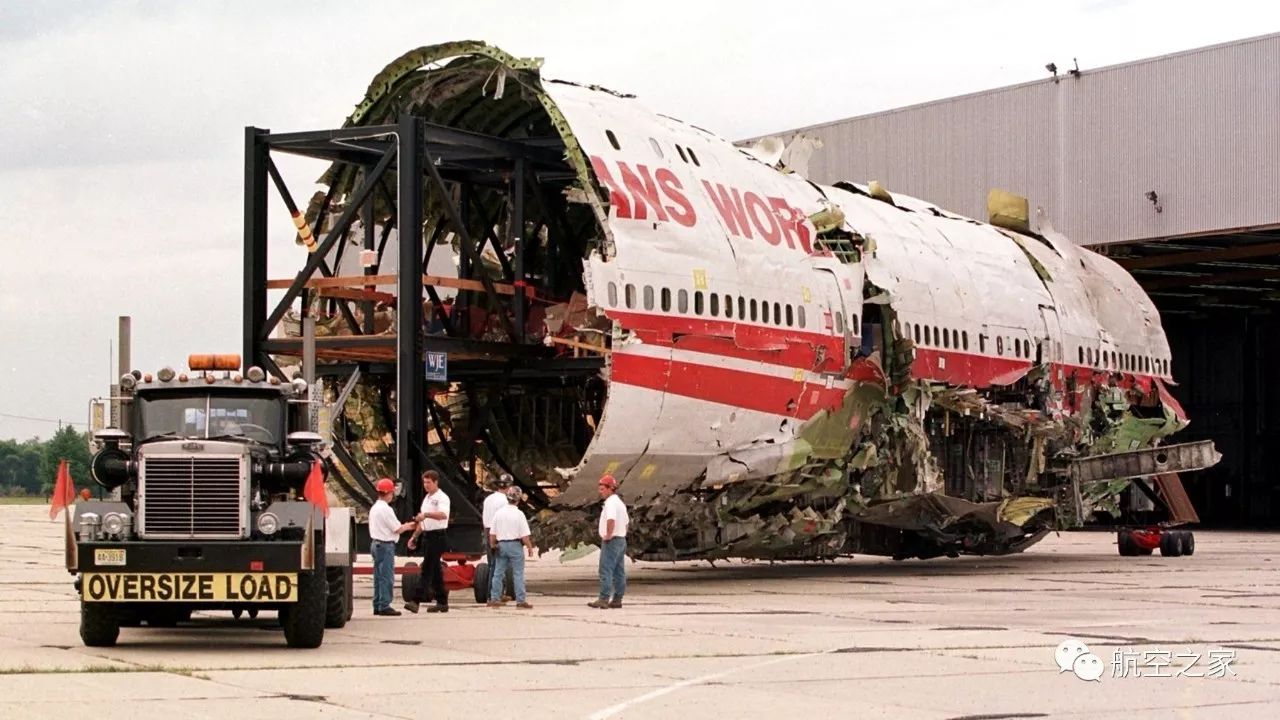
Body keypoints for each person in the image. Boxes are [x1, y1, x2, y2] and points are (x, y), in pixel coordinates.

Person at [368, 478, 416, 616]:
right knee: (387, 577)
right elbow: (397, 529)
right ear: (389, 493)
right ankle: (384, 605)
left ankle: (377, 604)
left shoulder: (375, 508)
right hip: (385, 545)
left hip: (375, 544)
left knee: (378, 576)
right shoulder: (386, 509)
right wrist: (411, 525)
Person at [406, 470, 451, 614]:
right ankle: (442, 601)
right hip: (427, 535)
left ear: (436, 482)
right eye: (424, 482)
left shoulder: (442, 498)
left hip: (437, 536)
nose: (426, 485)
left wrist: (426, 514)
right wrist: (415, 536)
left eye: (429, 482)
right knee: (436, 570)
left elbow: (443, 515)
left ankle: (416, 600)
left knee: (426, 569)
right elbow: (422, 521)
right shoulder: (426, 498)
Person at [487, 486, 534, 609]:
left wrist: (493, 545)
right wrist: (529, 547)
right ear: (518, 499)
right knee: (518, 573)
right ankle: (520, 601)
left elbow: (492, 534)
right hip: (515, 546)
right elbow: (524, 536)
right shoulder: (519, 514)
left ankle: (494, 598)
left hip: (501, 545)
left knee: (498, 573)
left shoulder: (498, 513)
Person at [588, 474, 629, 609]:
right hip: (621, 539)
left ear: (610, 489)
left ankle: (604, 598)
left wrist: (608, 535)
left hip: (612, 541)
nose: (600, 492)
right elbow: (627, 523)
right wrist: (621, 533)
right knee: (619, 571)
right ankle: (617, 599)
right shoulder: (620, 503)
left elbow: (611, 520)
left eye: (602, 489)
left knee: (605, 569)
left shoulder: (611, 503)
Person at [482, 473, 515, 601]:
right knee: (499, 565)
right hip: (499, 532)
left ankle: (496, 593)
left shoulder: (488, 499)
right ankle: (493, 595)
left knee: (493, 564)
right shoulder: (505, 501)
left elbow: (484, 518)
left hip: (488, 530)